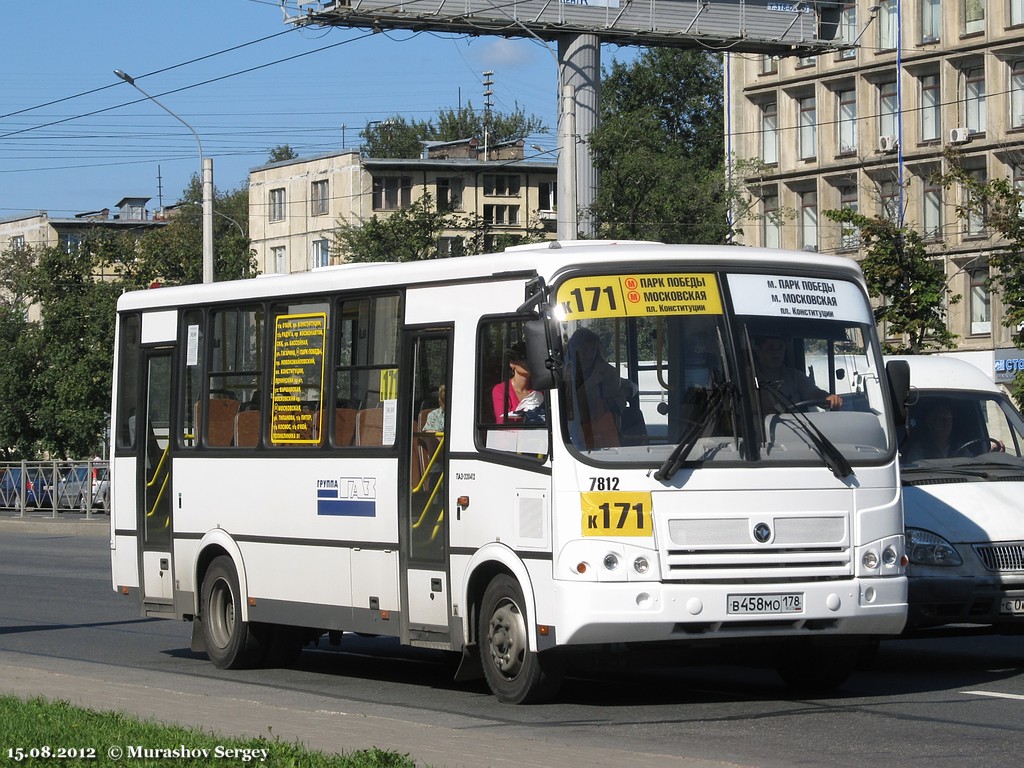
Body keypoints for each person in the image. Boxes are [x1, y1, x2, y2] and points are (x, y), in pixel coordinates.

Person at [567, 327, 629, 449]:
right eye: (584, 349)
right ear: (574, 349)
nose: (589, 354)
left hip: (600, 430)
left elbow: (620, 401)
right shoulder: (563, 372)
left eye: (592, 349)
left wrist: (605, 404)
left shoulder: (608, 373)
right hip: (568, 431)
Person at [753, 336, 842, 411]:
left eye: (781, 348)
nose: (777, 354)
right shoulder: (748, 378)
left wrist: (828, 398)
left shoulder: (795, 376)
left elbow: (813, 393)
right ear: (758, 351)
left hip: (797, 429)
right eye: (770, 348)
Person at [492, 342, 543, 423]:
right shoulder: (500, 390)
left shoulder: (539, 391)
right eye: (524, 358)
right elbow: (502, 423)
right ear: (512, 363)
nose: (529, 363)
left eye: (533, 359)